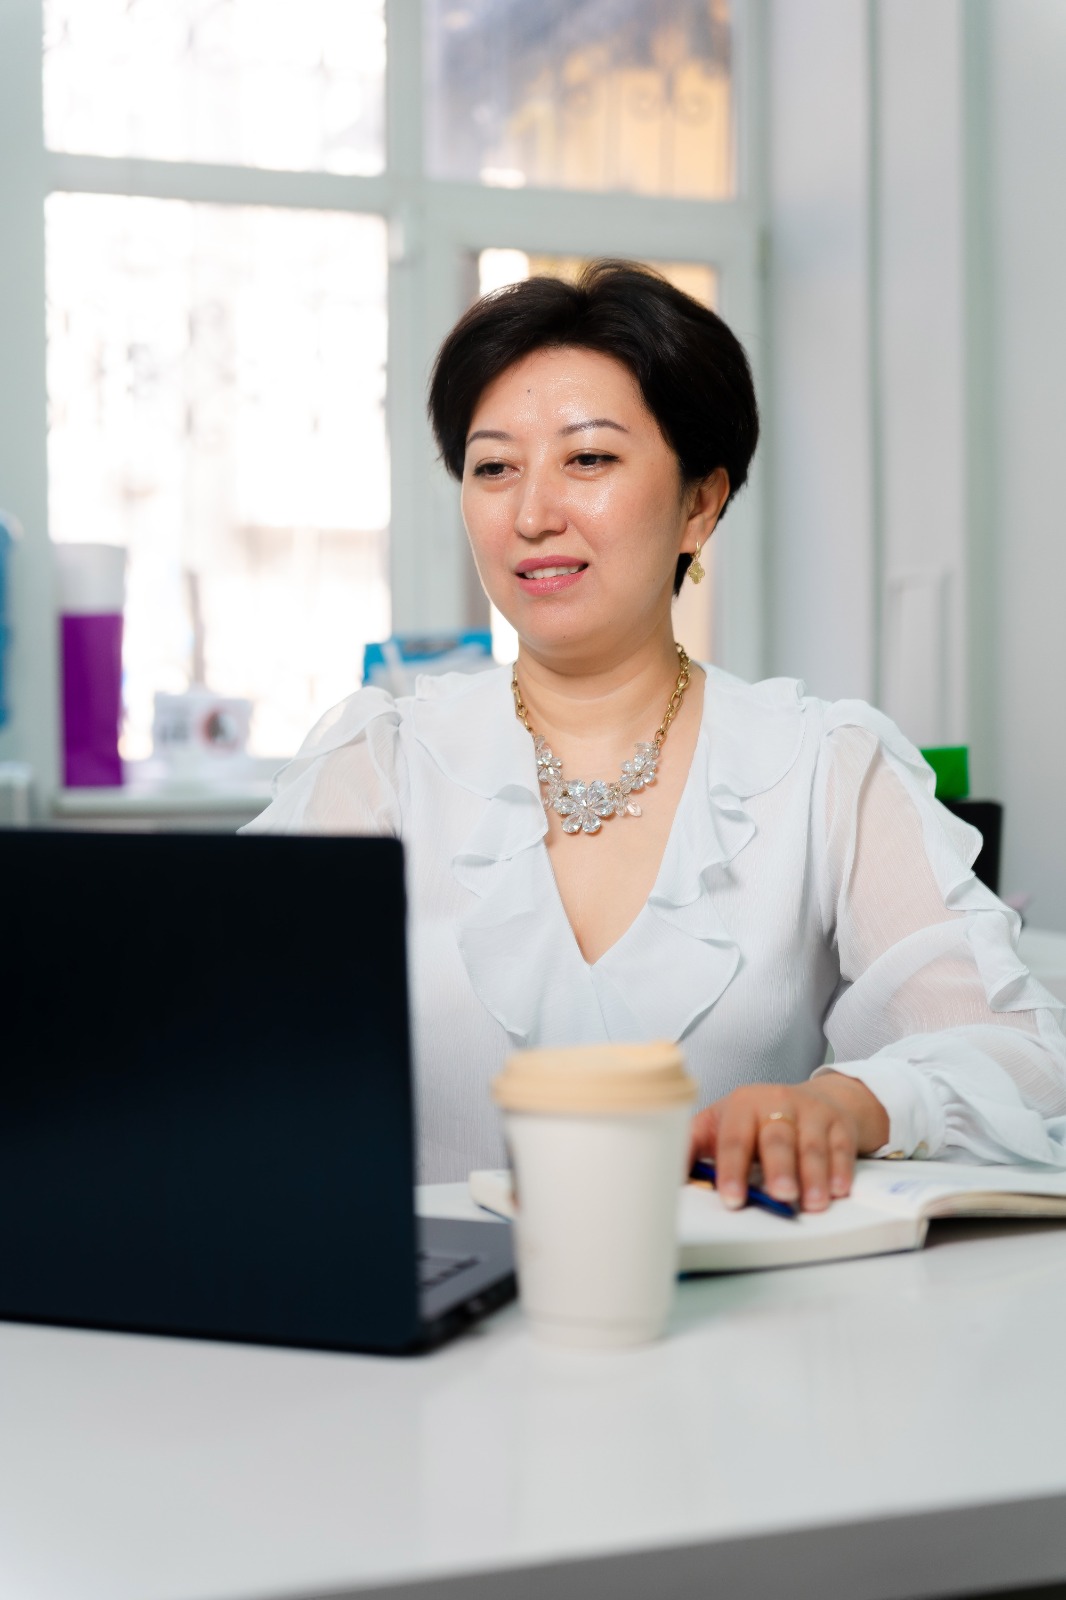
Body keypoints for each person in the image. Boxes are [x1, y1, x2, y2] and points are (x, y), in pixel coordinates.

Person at [243, 260, 1066, 1199]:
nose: (532, 515)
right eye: (494, 467)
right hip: (433, 1289)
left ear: (699, 505)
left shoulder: (823, 769)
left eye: (588, 460)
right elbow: (211, 1040)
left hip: (734, 1288)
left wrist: (846, 1102)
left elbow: (1020, 1058)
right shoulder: (380, 768)